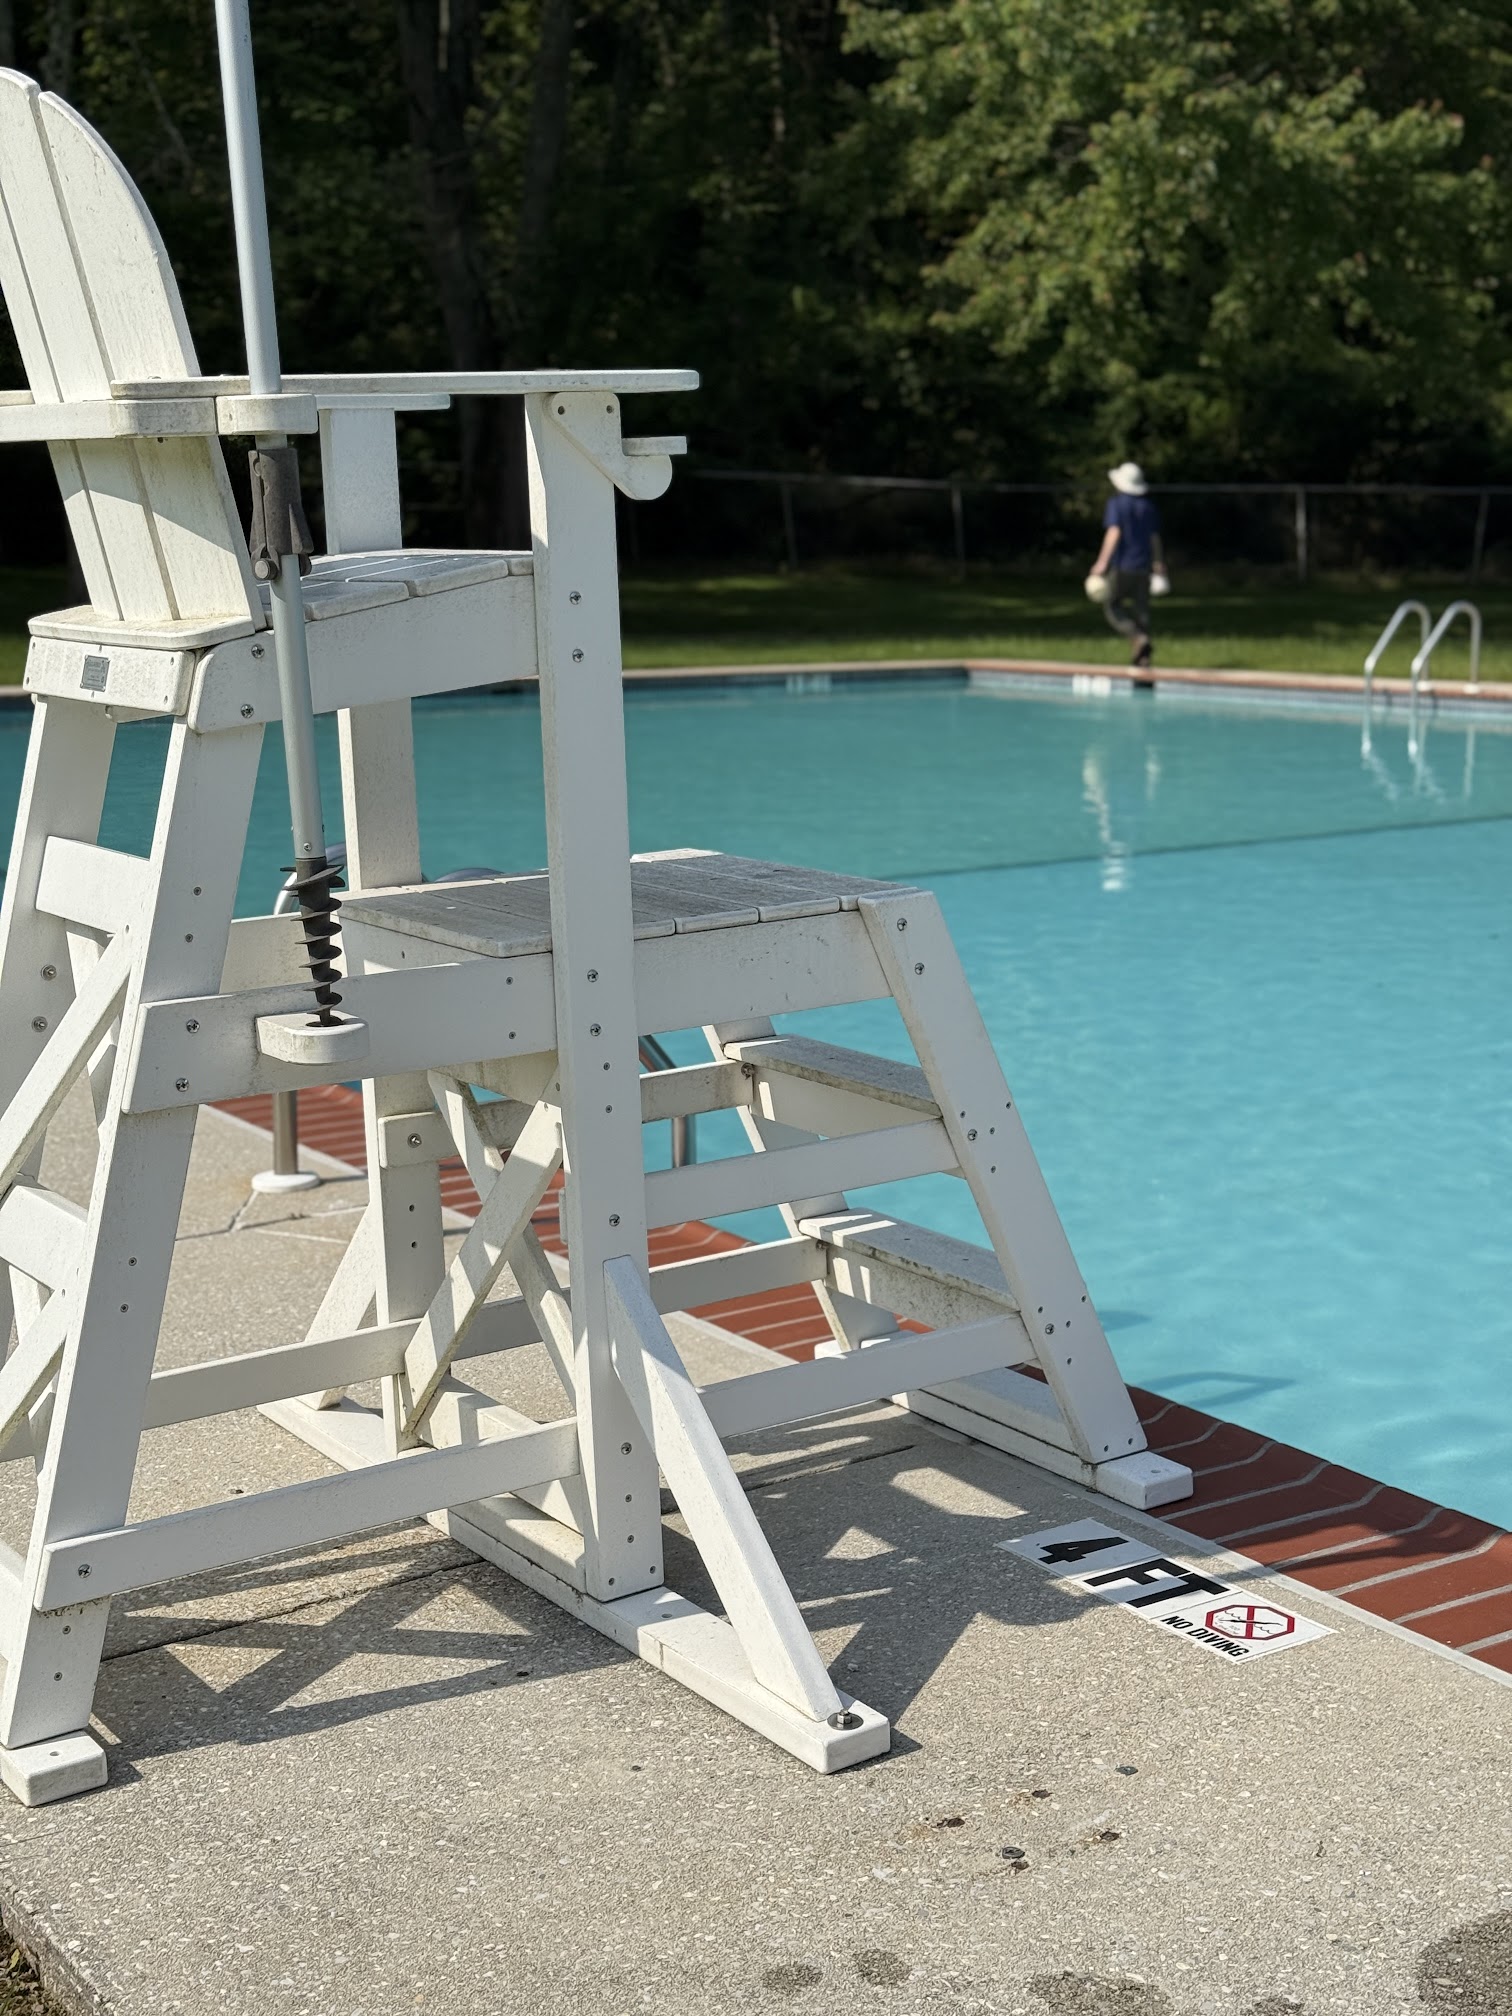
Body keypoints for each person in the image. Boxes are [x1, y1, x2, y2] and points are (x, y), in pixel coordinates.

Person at [1088, 462, 1168, 670]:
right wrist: (1158, 562)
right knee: (1142, 612)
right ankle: (1143, 659)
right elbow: (1154, 538)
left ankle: (1137, 637)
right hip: (1144, 567)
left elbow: (1114, 532)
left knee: (1113, 606)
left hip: (1122, 565)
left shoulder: (1117, 504)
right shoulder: (1148, 507)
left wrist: (1102, 562)